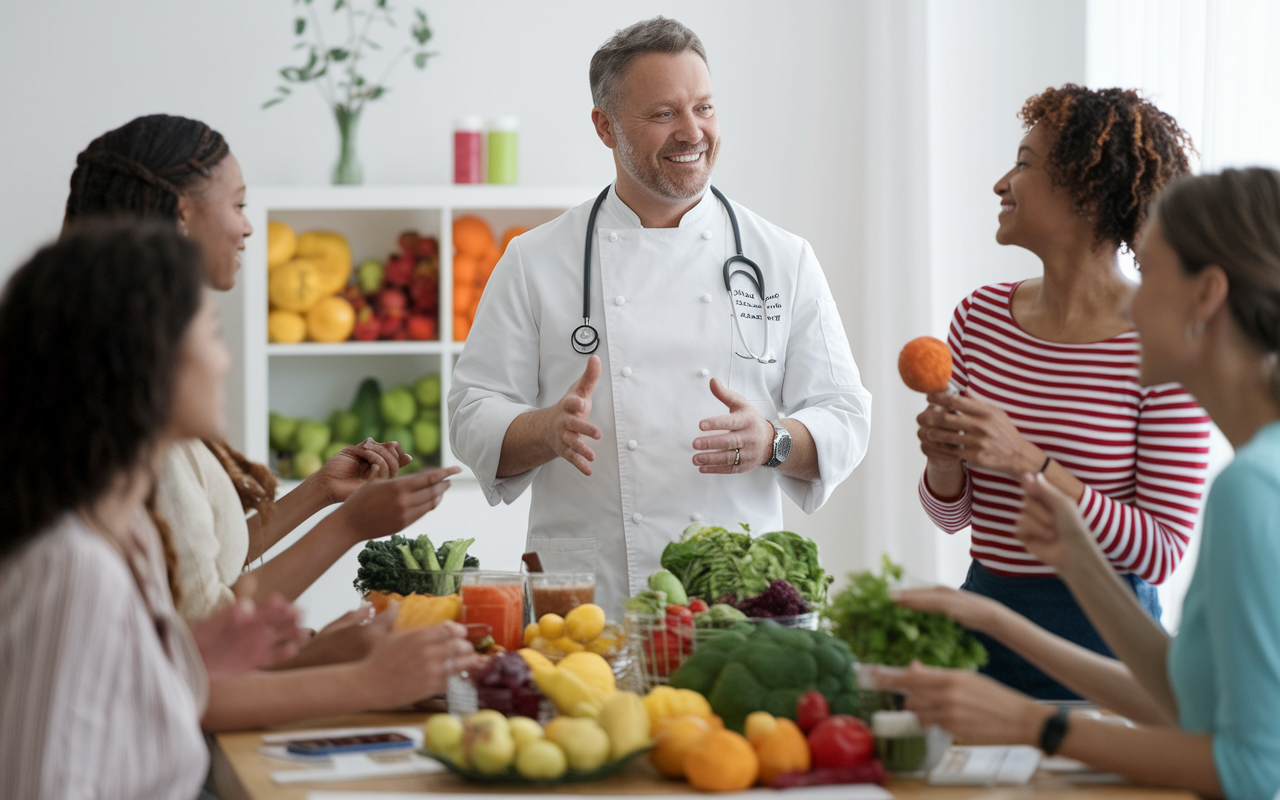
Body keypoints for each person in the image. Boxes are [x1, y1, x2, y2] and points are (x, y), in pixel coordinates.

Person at [63, 115, 476, 730]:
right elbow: (199, 640)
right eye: (238, 204)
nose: (248, 225)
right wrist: (346, 539)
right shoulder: (131, 417)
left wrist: (319, 495)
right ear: (181, 212)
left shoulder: (130, 403)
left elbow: (201, 560)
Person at [449, 17, 871, 612]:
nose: (692, 131)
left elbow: (845, 413)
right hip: (590, 594)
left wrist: (773, 441)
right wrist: (546, 430)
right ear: (605, 126)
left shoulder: (782, 258)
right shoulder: (534, 260)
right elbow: (471, 411)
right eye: (664, 113)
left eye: (704, 107)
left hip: (734, 592)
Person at [883, 167, 1280, 799]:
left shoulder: (1252, 492)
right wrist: (998, 615)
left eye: (1148, 275)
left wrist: (1030, 722)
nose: (1128, 302)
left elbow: (1260, 773)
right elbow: (1188, 697)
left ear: (1206, 296)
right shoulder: (1258, 475)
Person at [914, 85, 1210, 699]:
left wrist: (1028, 462)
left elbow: (1159, 552)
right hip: (984, 629)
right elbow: (952, 516)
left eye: (1024, 164)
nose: (1001, 184)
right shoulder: (979, 318)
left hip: (1109, 648)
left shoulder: (1161, 339)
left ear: (1087, 190)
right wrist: (943, 461)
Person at [0, 223, 307, 799]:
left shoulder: (132, 534)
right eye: (211, 334)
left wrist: (191, 664)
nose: (224, 362)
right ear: (144, 358)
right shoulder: (74, 568)